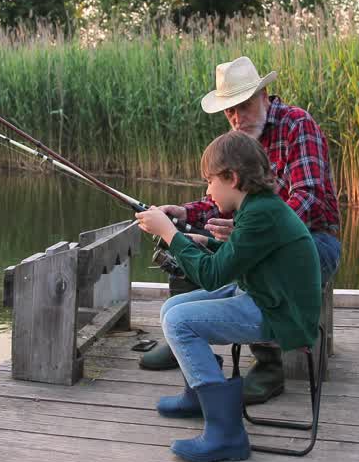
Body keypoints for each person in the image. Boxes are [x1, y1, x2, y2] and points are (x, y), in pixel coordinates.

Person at [140, 56, 341, 406]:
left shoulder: (297, 125)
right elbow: (223, 196)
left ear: (264, 96)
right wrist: (185, 213)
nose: (236, 118)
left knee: (231, 256)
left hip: (314, 240)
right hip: (259, 228)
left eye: (243, 107)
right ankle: (188, 337)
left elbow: (311, 198)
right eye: (229, 111)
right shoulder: (238, 141)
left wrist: (249, 232)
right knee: (193, 230)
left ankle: (268, 363)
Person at [135, 130, 322, 462]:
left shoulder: (260, 212)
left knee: (179, 322)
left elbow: (212, 275)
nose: (207, 191)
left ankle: (226, 434)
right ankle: (198, 397)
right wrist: (210, 244)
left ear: (231, 177)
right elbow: (238, 259)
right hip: (269, 295)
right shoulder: (259, 207)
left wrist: (170, 232)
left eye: (210, 181)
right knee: (173, 307)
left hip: (281, 313)